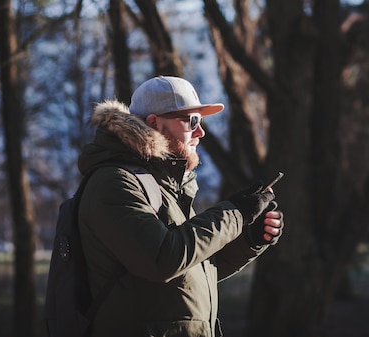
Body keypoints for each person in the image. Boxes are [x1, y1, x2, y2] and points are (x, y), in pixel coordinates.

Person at [76, 75, 284, 337]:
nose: (200, 132)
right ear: (154, 123)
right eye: (191, 121)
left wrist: (249, 239)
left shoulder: (166, 186)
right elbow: (163, 259)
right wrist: (236, 213)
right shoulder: (113, 183)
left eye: (201, 121)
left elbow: (192, 270)